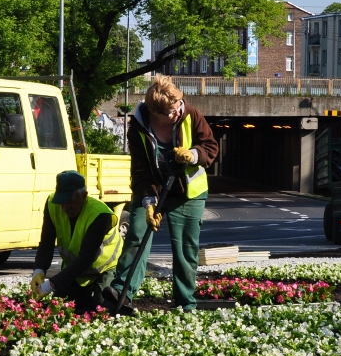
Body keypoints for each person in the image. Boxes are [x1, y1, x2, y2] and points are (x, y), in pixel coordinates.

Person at [112, 75, 219, 311]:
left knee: (185, 248)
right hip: (153, 189)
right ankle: (121, 292)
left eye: (176, 108)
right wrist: (148, 202)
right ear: (153, 111)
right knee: (136, 235)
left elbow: (211, 147)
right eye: (169, 112)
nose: (175, 114)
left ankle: (185, 303)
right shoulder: (139, 127)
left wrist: (192, 155)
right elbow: (140, 169)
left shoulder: (191, 115)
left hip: (187, 194)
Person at [31, 170, 124, 313]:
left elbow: (86, 259)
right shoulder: (52, 204)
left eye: (71, 202)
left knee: (101, 309)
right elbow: (46, 243)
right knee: (59, 308)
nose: (65, 208)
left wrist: (51, 285)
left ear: (85, 196)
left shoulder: (99, 214)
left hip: (103, 268)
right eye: (62, 201)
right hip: (75, 269)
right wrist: (39, 270)